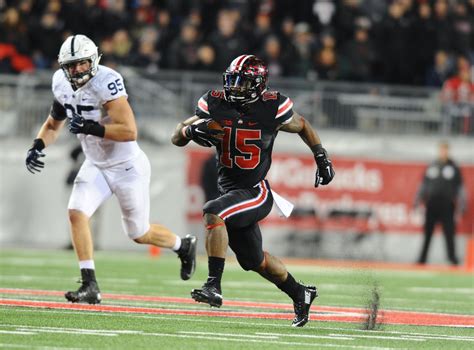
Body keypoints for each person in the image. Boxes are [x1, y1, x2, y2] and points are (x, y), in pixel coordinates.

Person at [25, 34, 197, 304]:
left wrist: (92, 127)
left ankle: (182, 245)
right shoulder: (60, 82)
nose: (76, 70)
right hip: (95, 164)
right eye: (70, 65)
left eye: (81, 64)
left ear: (93, 61)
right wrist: (37, 144)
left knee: (138, 233)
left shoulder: (106, 81)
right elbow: (53, 123)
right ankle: (89, 284)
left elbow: (129, 131)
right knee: (76, 212)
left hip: (126, 165)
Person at [171, 55, 335, 327]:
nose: (234, 87)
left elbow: (302, 125)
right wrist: (190, 131)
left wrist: (322, 157)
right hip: (231, 192)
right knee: (254, 261)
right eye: (231, 80)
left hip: (255, 191)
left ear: (258, 85)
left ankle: (213, 285)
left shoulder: (272, 107)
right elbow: (176, 136)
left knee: (213, 212)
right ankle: (300, 293)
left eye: (242, 82)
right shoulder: (214, 103)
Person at [414, 141, 467, 265]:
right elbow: (423, 185)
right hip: (432, 204)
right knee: (427, 233)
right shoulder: (432, 166)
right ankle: (422, 259)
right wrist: (417, 200)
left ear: (448, 151)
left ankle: (452, 258)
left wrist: (463, 204)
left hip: (447, 204)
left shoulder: (454, 167)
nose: (443, 153)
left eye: (445, 150)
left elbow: (460, 188)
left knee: (449, 233)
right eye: (441, 150)